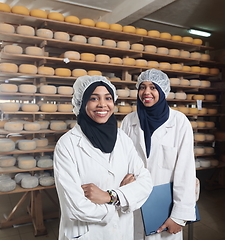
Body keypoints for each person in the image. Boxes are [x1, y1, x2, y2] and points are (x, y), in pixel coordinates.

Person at [53, 75, 153, 240]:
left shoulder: (123, 139)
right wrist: (122, 200)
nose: (102, 104)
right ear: (82, 102)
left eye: (108, 98)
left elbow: (145, 182)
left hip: (122, 232)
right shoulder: (67, 145)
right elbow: (76, 206)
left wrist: (110, 196)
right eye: (93, 98)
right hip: (88, 233)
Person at [121, 69, 197, 240]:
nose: (146, 92)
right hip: (134, 203)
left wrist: (179, 216)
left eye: (153, 87)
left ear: (163, 91)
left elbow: (185, 171)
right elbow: (121, 160)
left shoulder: (179, 122)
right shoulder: (129, 121)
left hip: (165, 207)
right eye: (142, 87)